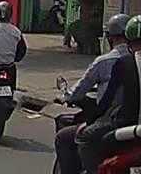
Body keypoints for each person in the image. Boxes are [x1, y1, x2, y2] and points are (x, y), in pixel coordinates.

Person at [78, 14, 141, 173]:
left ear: (128, 39)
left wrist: (91, 120)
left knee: (84, 137)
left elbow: (107, 99)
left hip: (124, 126)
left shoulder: (123, 62)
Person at [55, 14, 132, 174]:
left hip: (114, 122)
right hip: (140, 124)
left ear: (110, 37)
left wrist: (68, 97)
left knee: (67, 137)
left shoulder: (107, 61)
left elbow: (84, 93)